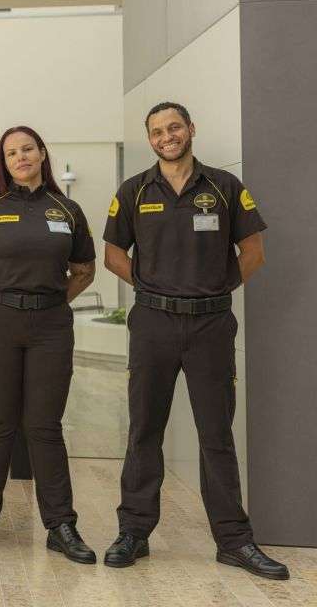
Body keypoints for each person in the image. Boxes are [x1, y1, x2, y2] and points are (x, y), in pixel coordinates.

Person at [101, 102, 289, 580]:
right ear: (150, 139)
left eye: (174, 127)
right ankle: (134, 532)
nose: (167, 136)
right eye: (157, 131)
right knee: (144, 429)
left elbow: (254, 252)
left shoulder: (225, 187)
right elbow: (113, 254)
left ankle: (234, 541)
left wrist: (213, 291)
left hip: (210, 327)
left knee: (216, 434)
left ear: (190, 129)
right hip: (153, 324)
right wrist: (153, 289)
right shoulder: (134, 190)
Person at [0, 126, 97, 563]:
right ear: (4, 161)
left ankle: (61, 525)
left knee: (45, 426)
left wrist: (52, 302)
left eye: (28, 149)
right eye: (12, 152)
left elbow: (85, 270)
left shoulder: (67, 209)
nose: (21, 157)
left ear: (42, 153)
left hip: (51, 325)